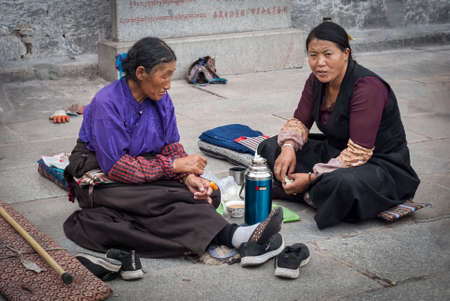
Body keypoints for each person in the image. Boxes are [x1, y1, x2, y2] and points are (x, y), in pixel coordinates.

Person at [63, 37, 283, 262]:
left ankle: (217, 232)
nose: (168, 84)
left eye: (171, 74)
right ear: (141, 73)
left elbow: (171, 146)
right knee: (155, 198)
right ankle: (234, 235)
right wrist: (174, 166)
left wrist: (188, 176)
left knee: (207, 192)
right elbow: (117, 167)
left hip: (145, 173)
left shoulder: (161, 99)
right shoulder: (106, 103)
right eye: (164, 75)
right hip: (107, 178)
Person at [258, 22, 420, 230]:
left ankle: (303, 189)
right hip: (335, 152)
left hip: (377, 165)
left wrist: (311, 177)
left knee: (342, 185)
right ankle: (310, 193)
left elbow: (358, 152)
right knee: (271, 147)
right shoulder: (316, 81)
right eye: (313, 55)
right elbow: (300, 121)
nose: (320, 63)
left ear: (346, 53)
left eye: (328, 54)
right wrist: (288, 147)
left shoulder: (368, 87)